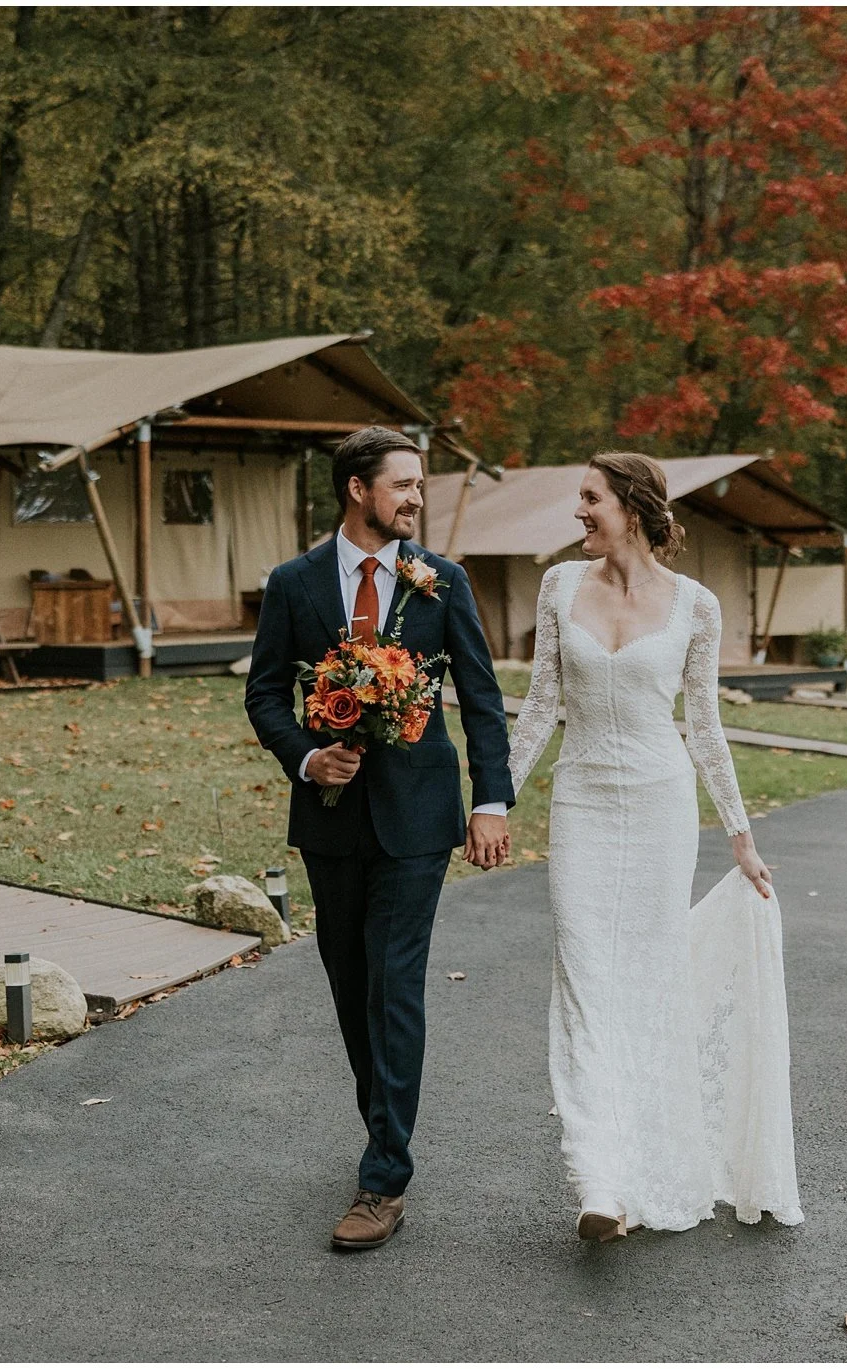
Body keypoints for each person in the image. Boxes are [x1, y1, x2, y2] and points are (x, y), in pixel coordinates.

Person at [507, 452, 803, 1241]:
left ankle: (636, 1170)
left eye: (590, 498)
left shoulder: (696, 606)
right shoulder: (559, 587)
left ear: (631, 509)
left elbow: (703, 729)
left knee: (644, 979)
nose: (578, 511)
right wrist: (493, 800)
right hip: (582, 800)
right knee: (584, 975)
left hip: (661, 804)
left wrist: (741, 838)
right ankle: (598, 1177)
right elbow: (539, 706)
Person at [244, 426, 514, 1251]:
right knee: (351, 982)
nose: (415, 498)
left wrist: (491, 798)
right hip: (330, 821)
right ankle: (381, 1126)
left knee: (394, 982)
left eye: (420, 486)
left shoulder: (442, 582)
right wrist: (306, 756)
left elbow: (480, 691)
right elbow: (262, 695)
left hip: (418, 819)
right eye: (402, 485)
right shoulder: (293, 583)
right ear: (358, 488)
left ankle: (383, 1177)